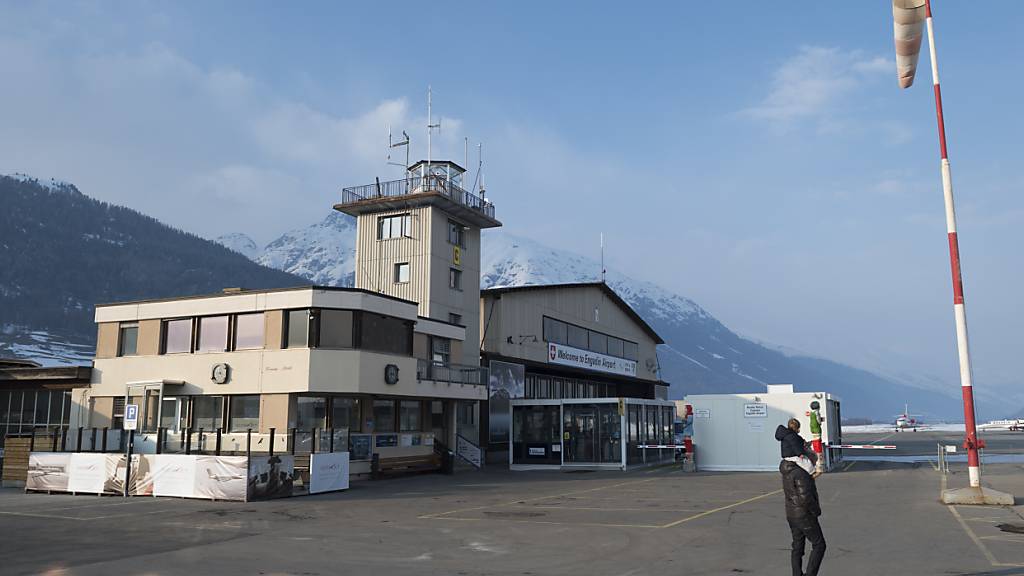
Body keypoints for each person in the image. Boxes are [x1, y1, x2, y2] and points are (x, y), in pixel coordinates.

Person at [776, 419, 826, 576]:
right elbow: (805, 497)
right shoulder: (800, 472)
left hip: (791, 514)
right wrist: (816, 511)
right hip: (803, 514)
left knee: (797, 546)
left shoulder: (787, 470)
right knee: (819, 545)